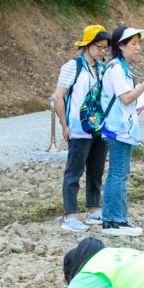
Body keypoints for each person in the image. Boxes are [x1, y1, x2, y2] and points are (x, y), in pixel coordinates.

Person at [99, 25, 144, 237]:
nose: (137, 48)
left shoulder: (122, 68)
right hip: (117, 130)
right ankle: (116, 221)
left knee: (118, 173)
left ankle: (112, 219)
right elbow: (126, 98)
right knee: (118, 174)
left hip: (121, 128)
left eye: (138, 43)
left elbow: (125, 102)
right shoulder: (116, 69)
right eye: (133, 44)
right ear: (121, 46)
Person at [54, 26, 110, 233]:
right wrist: (64, 125)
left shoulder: (102, 68)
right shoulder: (73, 67)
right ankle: (69, 215)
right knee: (74, 172)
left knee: (96, 170)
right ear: (87, 45)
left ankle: (94, 209)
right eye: (98, 47)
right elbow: (58, 97)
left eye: (104, 47)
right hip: (78, 129)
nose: (102, 51)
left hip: (99, 127)